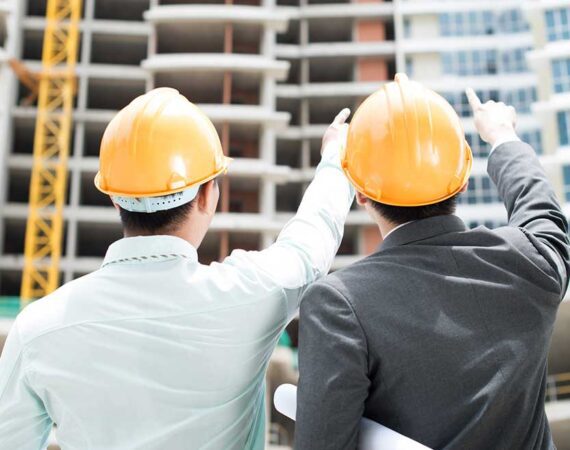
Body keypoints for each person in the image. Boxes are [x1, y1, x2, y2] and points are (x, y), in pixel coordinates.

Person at [0, 88, 354, 449]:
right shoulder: (252, 294)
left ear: (114, 198)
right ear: (207, 195)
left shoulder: (37, 330)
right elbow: (310, 245)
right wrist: (334, 160)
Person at [295, 74, 569, 450]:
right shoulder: (529, 262)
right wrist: (502, 137)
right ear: (462, 181)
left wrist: (333, 164)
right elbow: (544, 215)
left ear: (360, 192)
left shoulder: (339, 305)